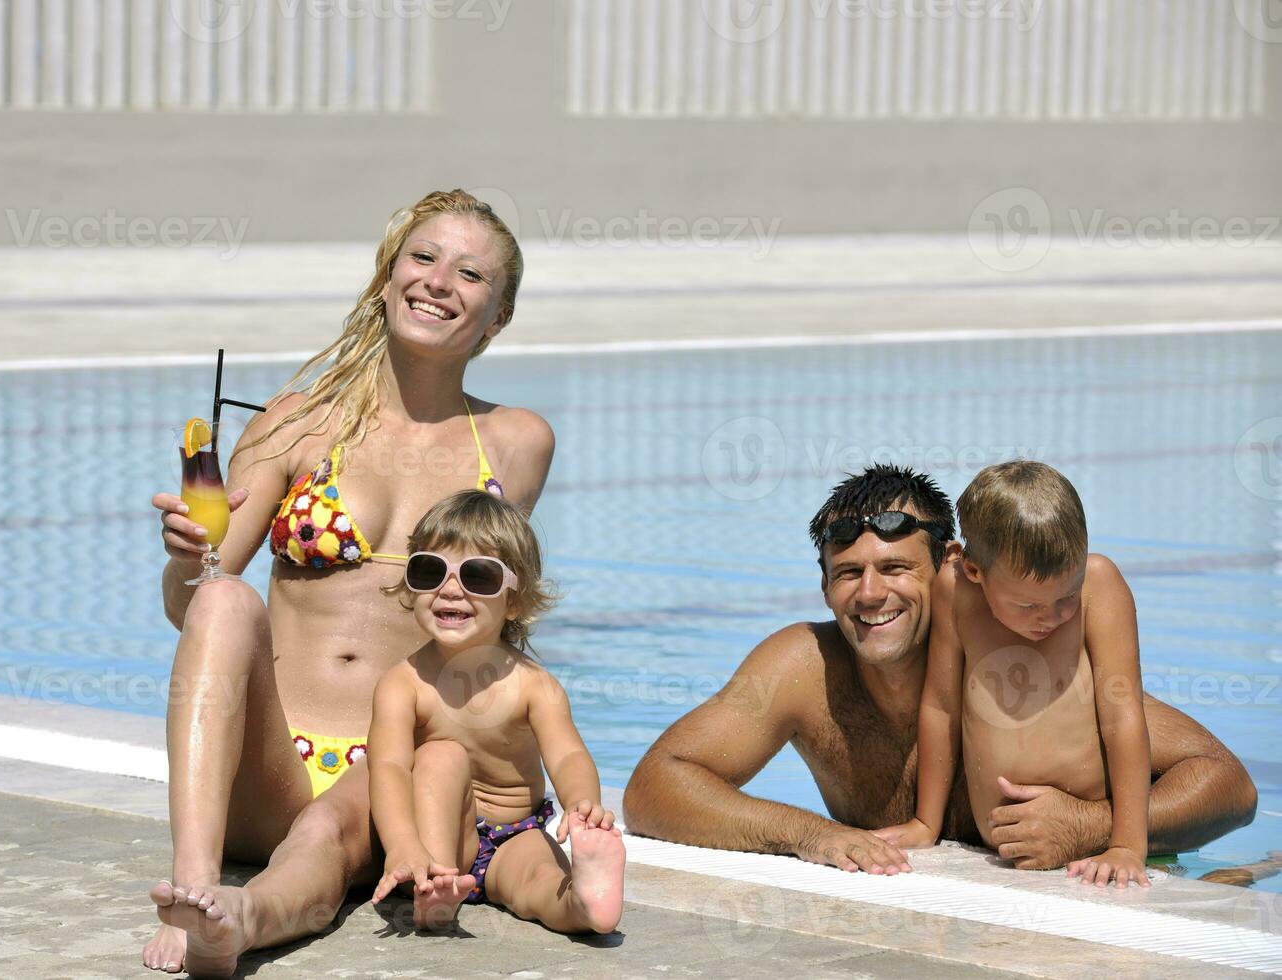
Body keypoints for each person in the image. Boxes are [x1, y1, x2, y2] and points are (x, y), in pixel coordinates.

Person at [143, 190, 556, 977]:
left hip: (394, 762)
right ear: (386, 277)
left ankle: (231, 921)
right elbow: (190, 610)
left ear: (497, 317)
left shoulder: (516, 443)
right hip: (267, 763)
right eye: (423, 258)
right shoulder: (297, 422)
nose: (439, 281)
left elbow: (497, 623)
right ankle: (194, 880)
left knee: (327, 839)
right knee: (228, 597)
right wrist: (184, 560)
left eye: (470, 274)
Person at [624, 466, 1256, 876]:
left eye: (896, 568)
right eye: (848, 574)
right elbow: (654, 788)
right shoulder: (804, 669)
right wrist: (810, 835)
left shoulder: (1023, 658)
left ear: (953, 568)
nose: (871, 594)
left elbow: (1229, 785)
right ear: (823, 587)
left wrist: (1091, 826)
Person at [874, 462, 1151, 887]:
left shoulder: (1100, 585)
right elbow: (941, 707)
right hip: (998, 854)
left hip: (1092, 851)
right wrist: (925, 823)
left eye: (1066, 596)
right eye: (1027, 606)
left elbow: (1123, 714)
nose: (1050, 618)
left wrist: (1127, 846)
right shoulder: (956, 592)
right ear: (974, 572)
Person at [367, 490, 625, 933]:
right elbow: (387, 768)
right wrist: (403, 846)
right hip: (442, 840)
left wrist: (581, 805)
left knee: (540, 883)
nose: (450, 588)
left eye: (479, 576)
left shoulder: (533, 685)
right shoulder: (402, 684)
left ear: (515, 601)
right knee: (439, 755)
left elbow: (566, 756)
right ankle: (437, 887)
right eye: (430, 570)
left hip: (516, 836)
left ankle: (585, 905)